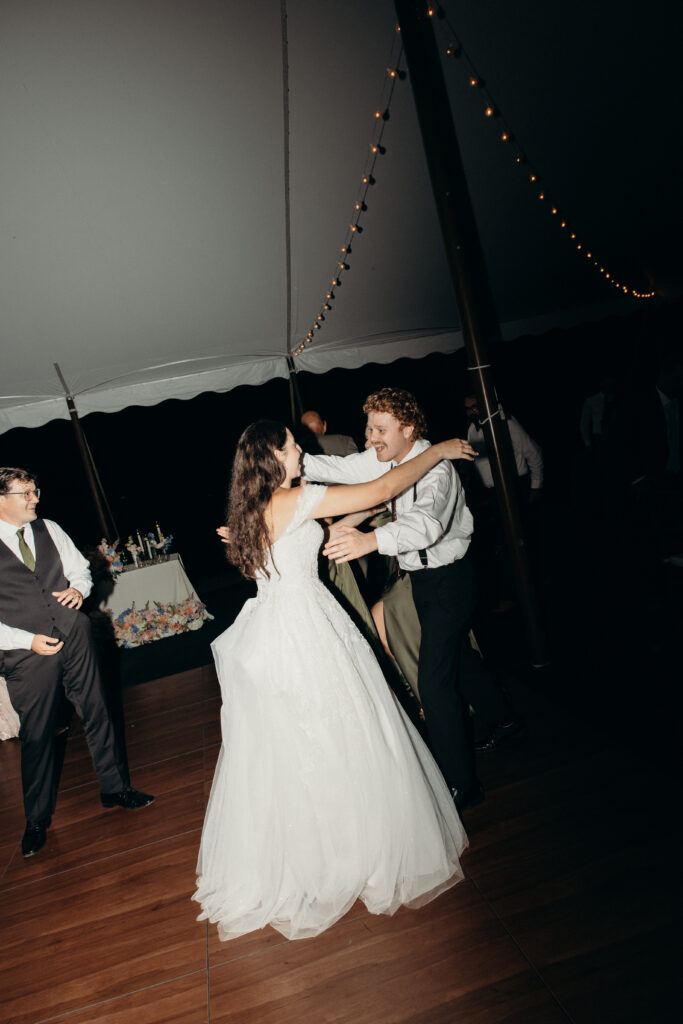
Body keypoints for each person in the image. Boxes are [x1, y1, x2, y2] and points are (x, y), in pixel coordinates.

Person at [193, 420, 471, 941]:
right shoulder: (297, 496)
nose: (302, 449)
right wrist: (441, 453)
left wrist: (367, 516)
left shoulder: (251, 511)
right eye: (293, 445)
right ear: (273, 458)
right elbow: (385, 485)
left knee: (297, 742)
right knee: (339, 729)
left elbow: (337, 516)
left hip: (272, 630)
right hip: (306, 628)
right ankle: (349, 852)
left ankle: (315, 851)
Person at [303, 388, 518, 809]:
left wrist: (369, 542)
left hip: (450, 580)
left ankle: (462, 785)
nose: (369, 439)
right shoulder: (389, 457)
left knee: (433, 684)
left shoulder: (437, 471)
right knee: (457, 654)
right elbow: (344, 467)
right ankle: (505, 719)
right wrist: (295, 460)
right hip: (424, 581)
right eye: (368, 429)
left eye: (379, 430)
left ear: (408, 429)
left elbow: (425, 527)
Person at [0, 467, 154, 858]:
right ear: (1, 498)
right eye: (26, 493)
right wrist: (26, 641)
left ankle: (115, 788)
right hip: (25, 653)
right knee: (37, 734)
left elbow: (80, 570)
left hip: (75, 635)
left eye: (36, 490)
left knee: (97, 710)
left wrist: (77, 590)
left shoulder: (49, 528)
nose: (35, 498)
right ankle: (36, 819)